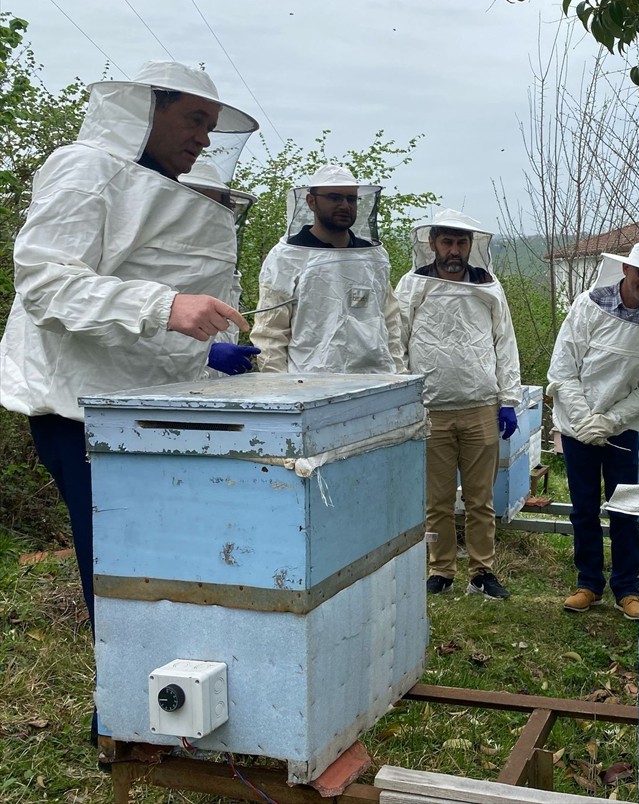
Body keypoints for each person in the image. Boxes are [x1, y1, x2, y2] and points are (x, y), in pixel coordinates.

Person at [0, 61, 257, 741]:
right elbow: (47, 285)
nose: (204, 138)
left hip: (143, 404)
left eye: (211, 124)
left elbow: (143, 299)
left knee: (164, 562)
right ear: (144, 110)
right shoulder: (84, 167)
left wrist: (205, 353)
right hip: (81, 411)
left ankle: (165, 702)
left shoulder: (151, 183)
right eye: (193, 119)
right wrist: (167, 305)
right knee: (121, 576)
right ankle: (121, 713)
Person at [548, 242, 639, 620]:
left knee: (626, 511)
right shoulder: (587, 307)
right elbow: (563, 369)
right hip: (578, 428)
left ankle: (627, 589)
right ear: (625, 270)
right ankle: (588, 583)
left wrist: (610, 421)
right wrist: (585, 419)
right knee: (585, 509)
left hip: (623, 431)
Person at [395, 209, 521, 600]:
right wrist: (402, 397)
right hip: (430, 410)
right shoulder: (413, 285)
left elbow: (505, 343)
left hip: (481, 406)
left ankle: (482, 570)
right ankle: (441, 569)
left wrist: (509, 399)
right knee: (438, 500)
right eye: (447, 242)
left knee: (481, 499)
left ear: (471, 246)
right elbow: (396, 341)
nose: (454, 250)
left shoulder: (489, 286)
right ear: (432, 244)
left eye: (461, 242)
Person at [250, 164, 405, 374]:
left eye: (351, 199)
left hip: (375, 381)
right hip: (310, 386)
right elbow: (270, 332)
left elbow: (390, 321)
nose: (344, 205)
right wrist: (279, 389)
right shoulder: (286, 257)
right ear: (311, 201)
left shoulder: (373, 256)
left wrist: (399, 377)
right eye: (334, 197)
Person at [182, 160, 261, 376]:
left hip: (208, 390)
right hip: (152, 392)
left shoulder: (221, 259)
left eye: (215, 205)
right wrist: (206, 355)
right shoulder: (153, 259)